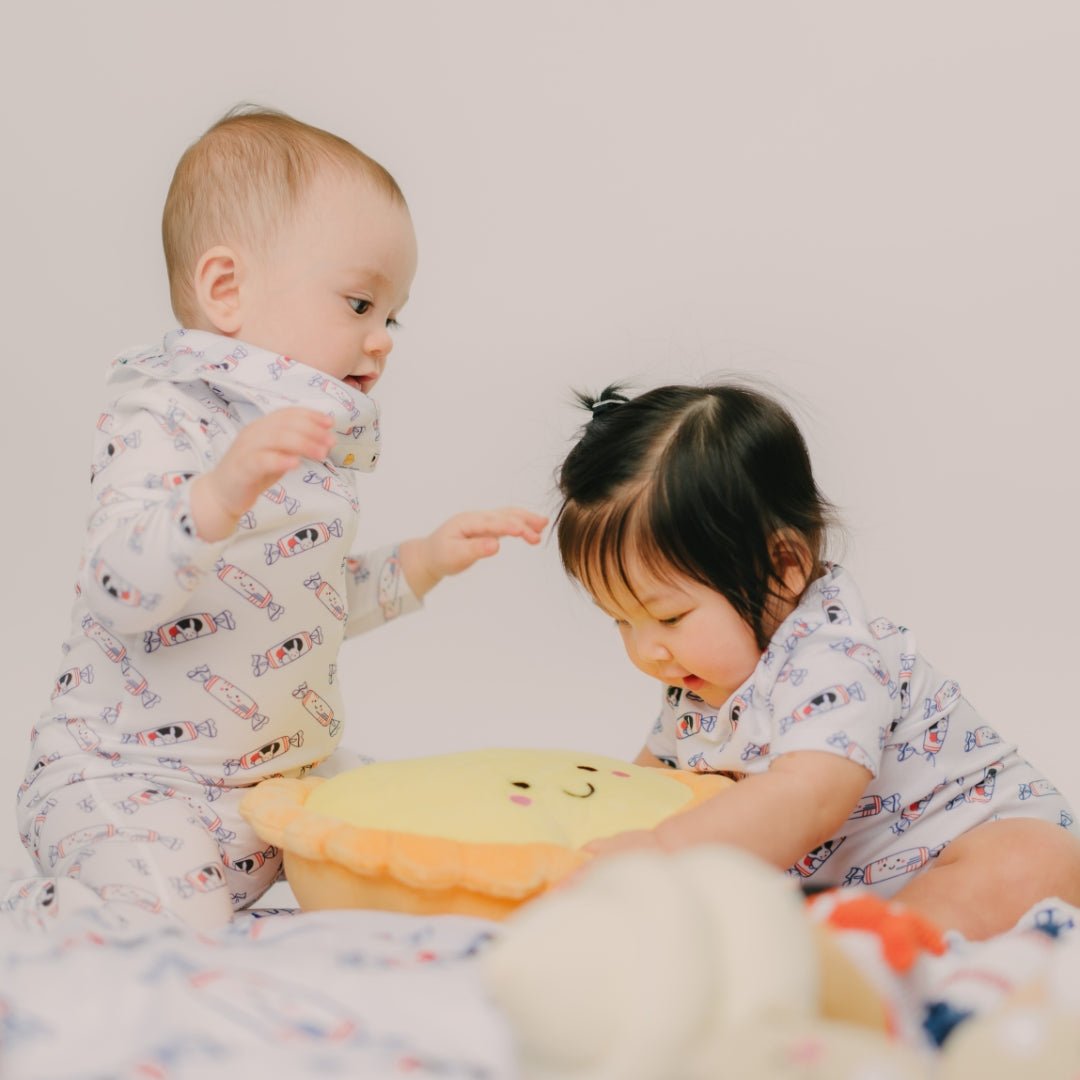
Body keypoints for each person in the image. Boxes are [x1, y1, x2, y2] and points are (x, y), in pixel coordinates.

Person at [14, 106, 546, 929]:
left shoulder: (310, 449)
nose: (384, 339)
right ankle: (43, 922)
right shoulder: (164, 415)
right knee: (168, 920)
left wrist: (425, 559)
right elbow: (120, 588)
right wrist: (219, 493)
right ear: (227, 290)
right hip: (130, 782)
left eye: (391, 315)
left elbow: (308, 607)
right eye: (360, 303)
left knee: (416, 830)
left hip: (277, 785)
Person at [555, 382, 1080, 939]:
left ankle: (882, 959)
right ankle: (841, 948)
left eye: (670, 618)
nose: (645, 651)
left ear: (782, 567)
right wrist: (588, 835)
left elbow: (810, 796)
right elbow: (648, 785)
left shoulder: (838, 657)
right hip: (842, 887)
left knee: (1032, 861)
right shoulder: (695, 680)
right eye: (621, 620)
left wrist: (664, 849)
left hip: (961, 844)